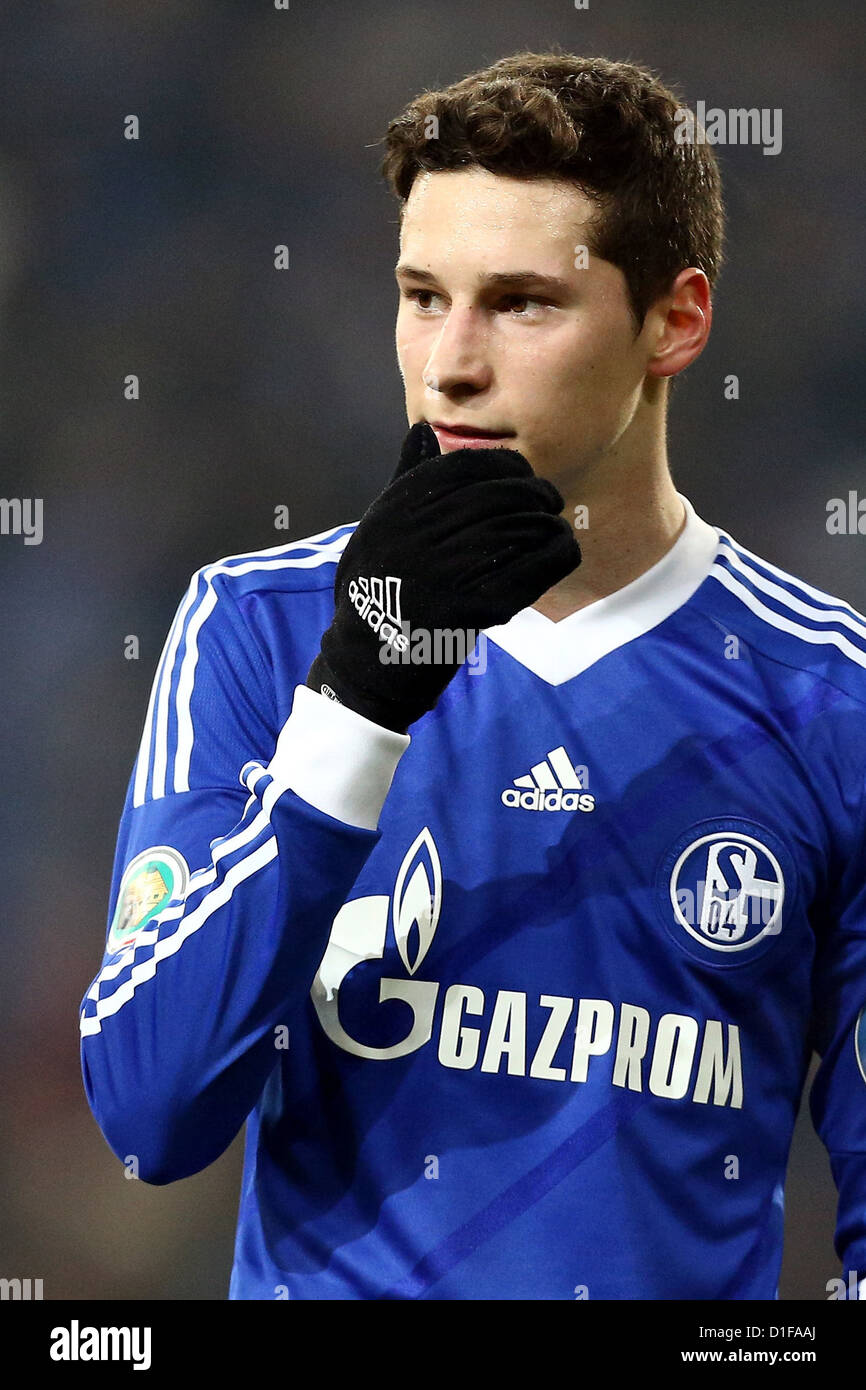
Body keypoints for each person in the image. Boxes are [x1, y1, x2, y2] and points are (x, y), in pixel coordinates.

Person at [79, 50, 866, 1300]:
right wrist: (354, 708)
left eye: (519, 303)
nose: (447, 362)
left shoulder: (829, 699)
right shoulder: (265, 627)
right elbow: (148, 1113)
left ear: (675, 319)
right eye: (418, 294)